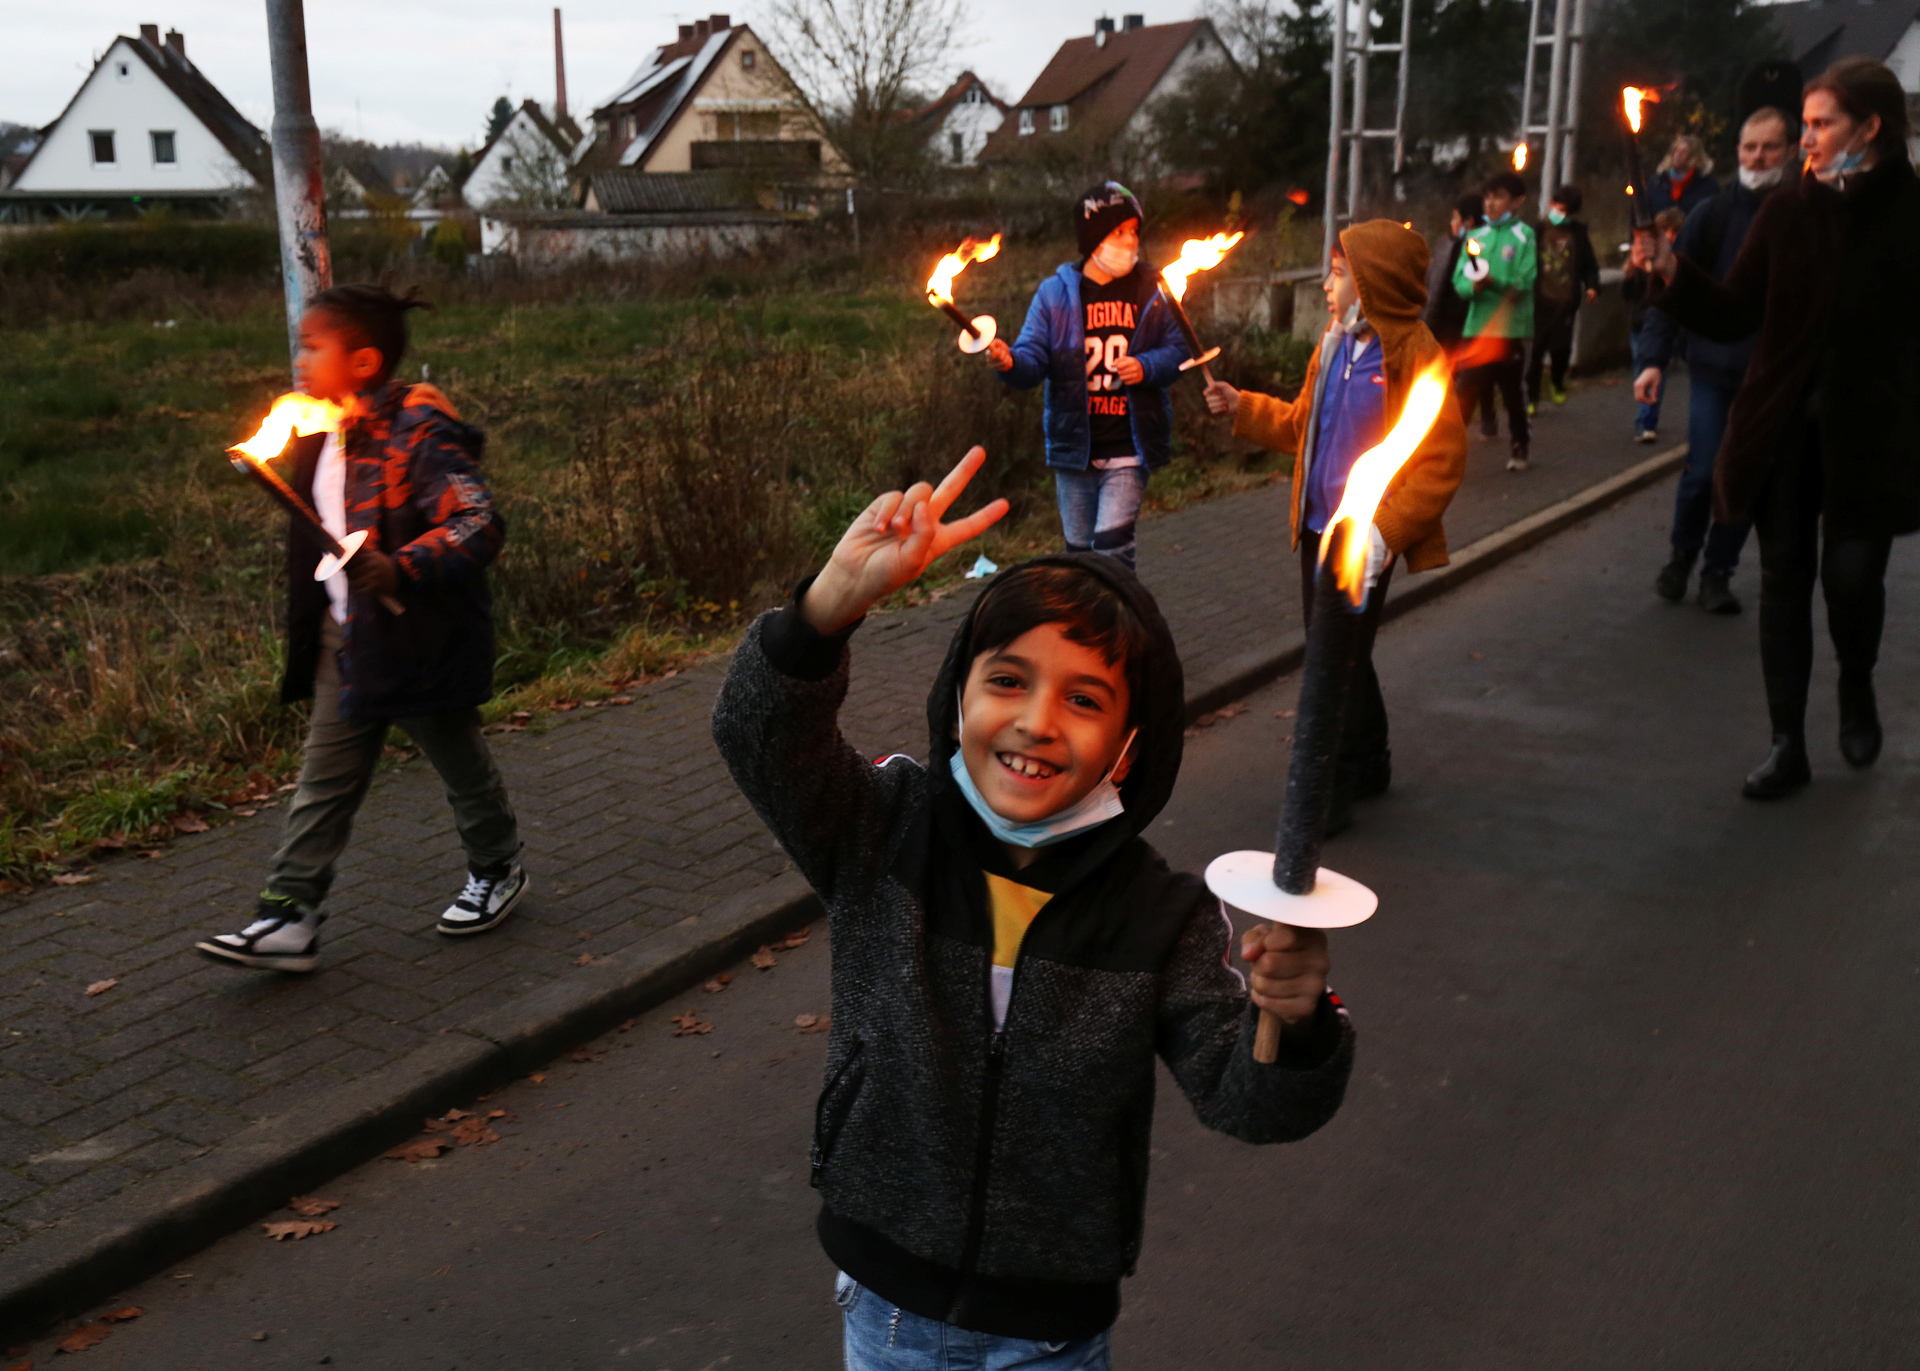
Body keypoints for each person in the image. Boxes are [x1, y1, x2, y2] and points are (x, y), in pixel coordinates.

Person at [713, 448, 1353, 1367]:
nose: (1037, 722)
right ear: (957, 695)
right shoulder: (884, 833)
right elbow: (757, 734)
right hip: (888, 1307)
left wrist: (1298, 1022)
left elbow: (1251, 1101)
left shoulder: (1158, 915)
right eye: (1007, 680)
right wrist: (826, 608)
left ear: (1130, 747)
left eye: (1084, 699)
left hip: (1050, 1334)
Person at [196, 285, 525, 971]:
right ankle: (289, 915)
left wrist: (401, 566)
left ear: (365, 360)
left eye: (315, 346)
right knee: (325, 778)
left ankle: (497, 867)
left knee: (460, 764)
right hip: (349, 637)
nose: (301, 359)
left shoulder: (418, 433)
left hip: (418, 636)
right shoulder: (318, 422)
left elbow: (479, 522)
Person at [1638, 58, 1920, 798]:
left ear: (1870, 128)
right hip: (1785, 428)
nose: (1807, 139)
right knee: (1786, 580)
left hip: (1872, 433)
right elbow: (1734, 309)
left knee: (1852, 578)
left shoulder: (1910, 217)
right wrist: (1671, 277)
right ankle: (1786, 742)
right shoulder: (1789, 211)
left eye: (1822, 124)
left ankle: (1854, 687)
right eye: (1807, 124)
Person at [1203, 221, 1467, 833]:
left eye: (1339, 273)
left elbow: (1443, 460)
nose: (1326, 284)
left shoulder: (1414, 353)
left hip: (1366, 542)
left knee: (1336, 655)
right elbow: (1301, 426)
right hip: (1318, 527)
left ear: (1371, 283)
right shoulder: (1331, 345)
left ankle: (1334, 787)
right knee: (1343, 651)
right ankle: (1371, 759)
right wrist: (1242, 406)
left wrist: (1385, 533)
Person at [1635, 105, 1797, 614]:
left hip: (1767, 378)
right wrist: (1654, 358)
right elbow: (1673, 283)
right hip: (1711, 370)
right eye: (1750, 147)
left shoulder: (1799, 217)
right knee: (1702, 472)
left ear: (1789, 151)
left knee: (1741, 476)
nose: (1758, 156)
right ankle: (1682, 556)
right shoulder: (1714, 213)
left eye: (1770, 146)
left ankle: (1718, 572)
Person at [988, 181, 1188, 570]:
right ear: (1093, 236)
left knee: (1112, 549)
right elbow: (1032, 358)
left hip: (1130, 446)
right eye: (1119, 232)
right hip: (1074, 450)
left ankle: (1122, 625)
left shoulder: (1154, 287)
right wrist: (1010, 362)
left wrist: (1145, 367)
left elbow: (1179, 351)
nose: (1130, 241)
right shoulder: (1054, 294)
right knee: (1079, 558)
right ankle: (1089, 628)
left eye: (1135, 231)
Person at [1452, 169, 1536, 471]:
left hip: (1510, 329)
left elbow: (1525, 280)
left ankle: (1519, 444)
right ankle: (1448, 450)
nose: (1490, 203)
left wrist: (1495, 281)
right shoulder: (1475, 237)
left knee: (1512, 390)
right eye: (1487, 197)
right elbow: (1460, 277)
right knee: (1464, 389)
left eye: (1498, 197)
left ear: (1516, 202)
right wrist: (1472, 286)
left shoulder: (1524, 236)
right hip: (1477, 327)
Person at [1525, 183, 1600, 412]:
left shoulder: (1577, 234)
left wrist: (1592, 286)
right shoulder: (1538, 230)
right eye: (1557, 206)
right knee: (1535, 351)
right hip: (1540, 301)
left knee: (1560, 349)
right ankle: (1531, 398)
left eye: (1564, 209)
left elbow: (1589, 265)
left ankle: (1557, 382)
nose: (1559, 212)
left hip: (1565, 302)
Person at [1620, 207, 1685, 443]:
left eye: (1676, 232)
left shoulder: (1679, 261)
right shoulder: (1642, 259)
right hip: (1640, 324)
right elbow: (1627, 293)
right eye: (1668, 231)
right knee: (1643, 368)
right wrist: (1636, 273)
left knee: (1655, 371)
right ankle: (1645, 418)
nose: (1672, 237)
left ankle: (1646, 422)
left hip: (1658, 327)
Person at [1423, 191, 1483, 357]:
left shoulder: (1453, 247)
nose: (1452, 223)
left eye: (1455, 218)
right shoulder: (1483, 247)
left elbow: (1435, 289)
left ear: (1469, 221)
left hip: (1447, 326)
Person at [1652, 134, 1721, 216]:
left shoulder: (1707, 186)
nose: (1678, 155)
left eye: (1683, 152)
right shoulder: (1657, 184)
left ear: (1694, 156)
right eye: (1676, 151)